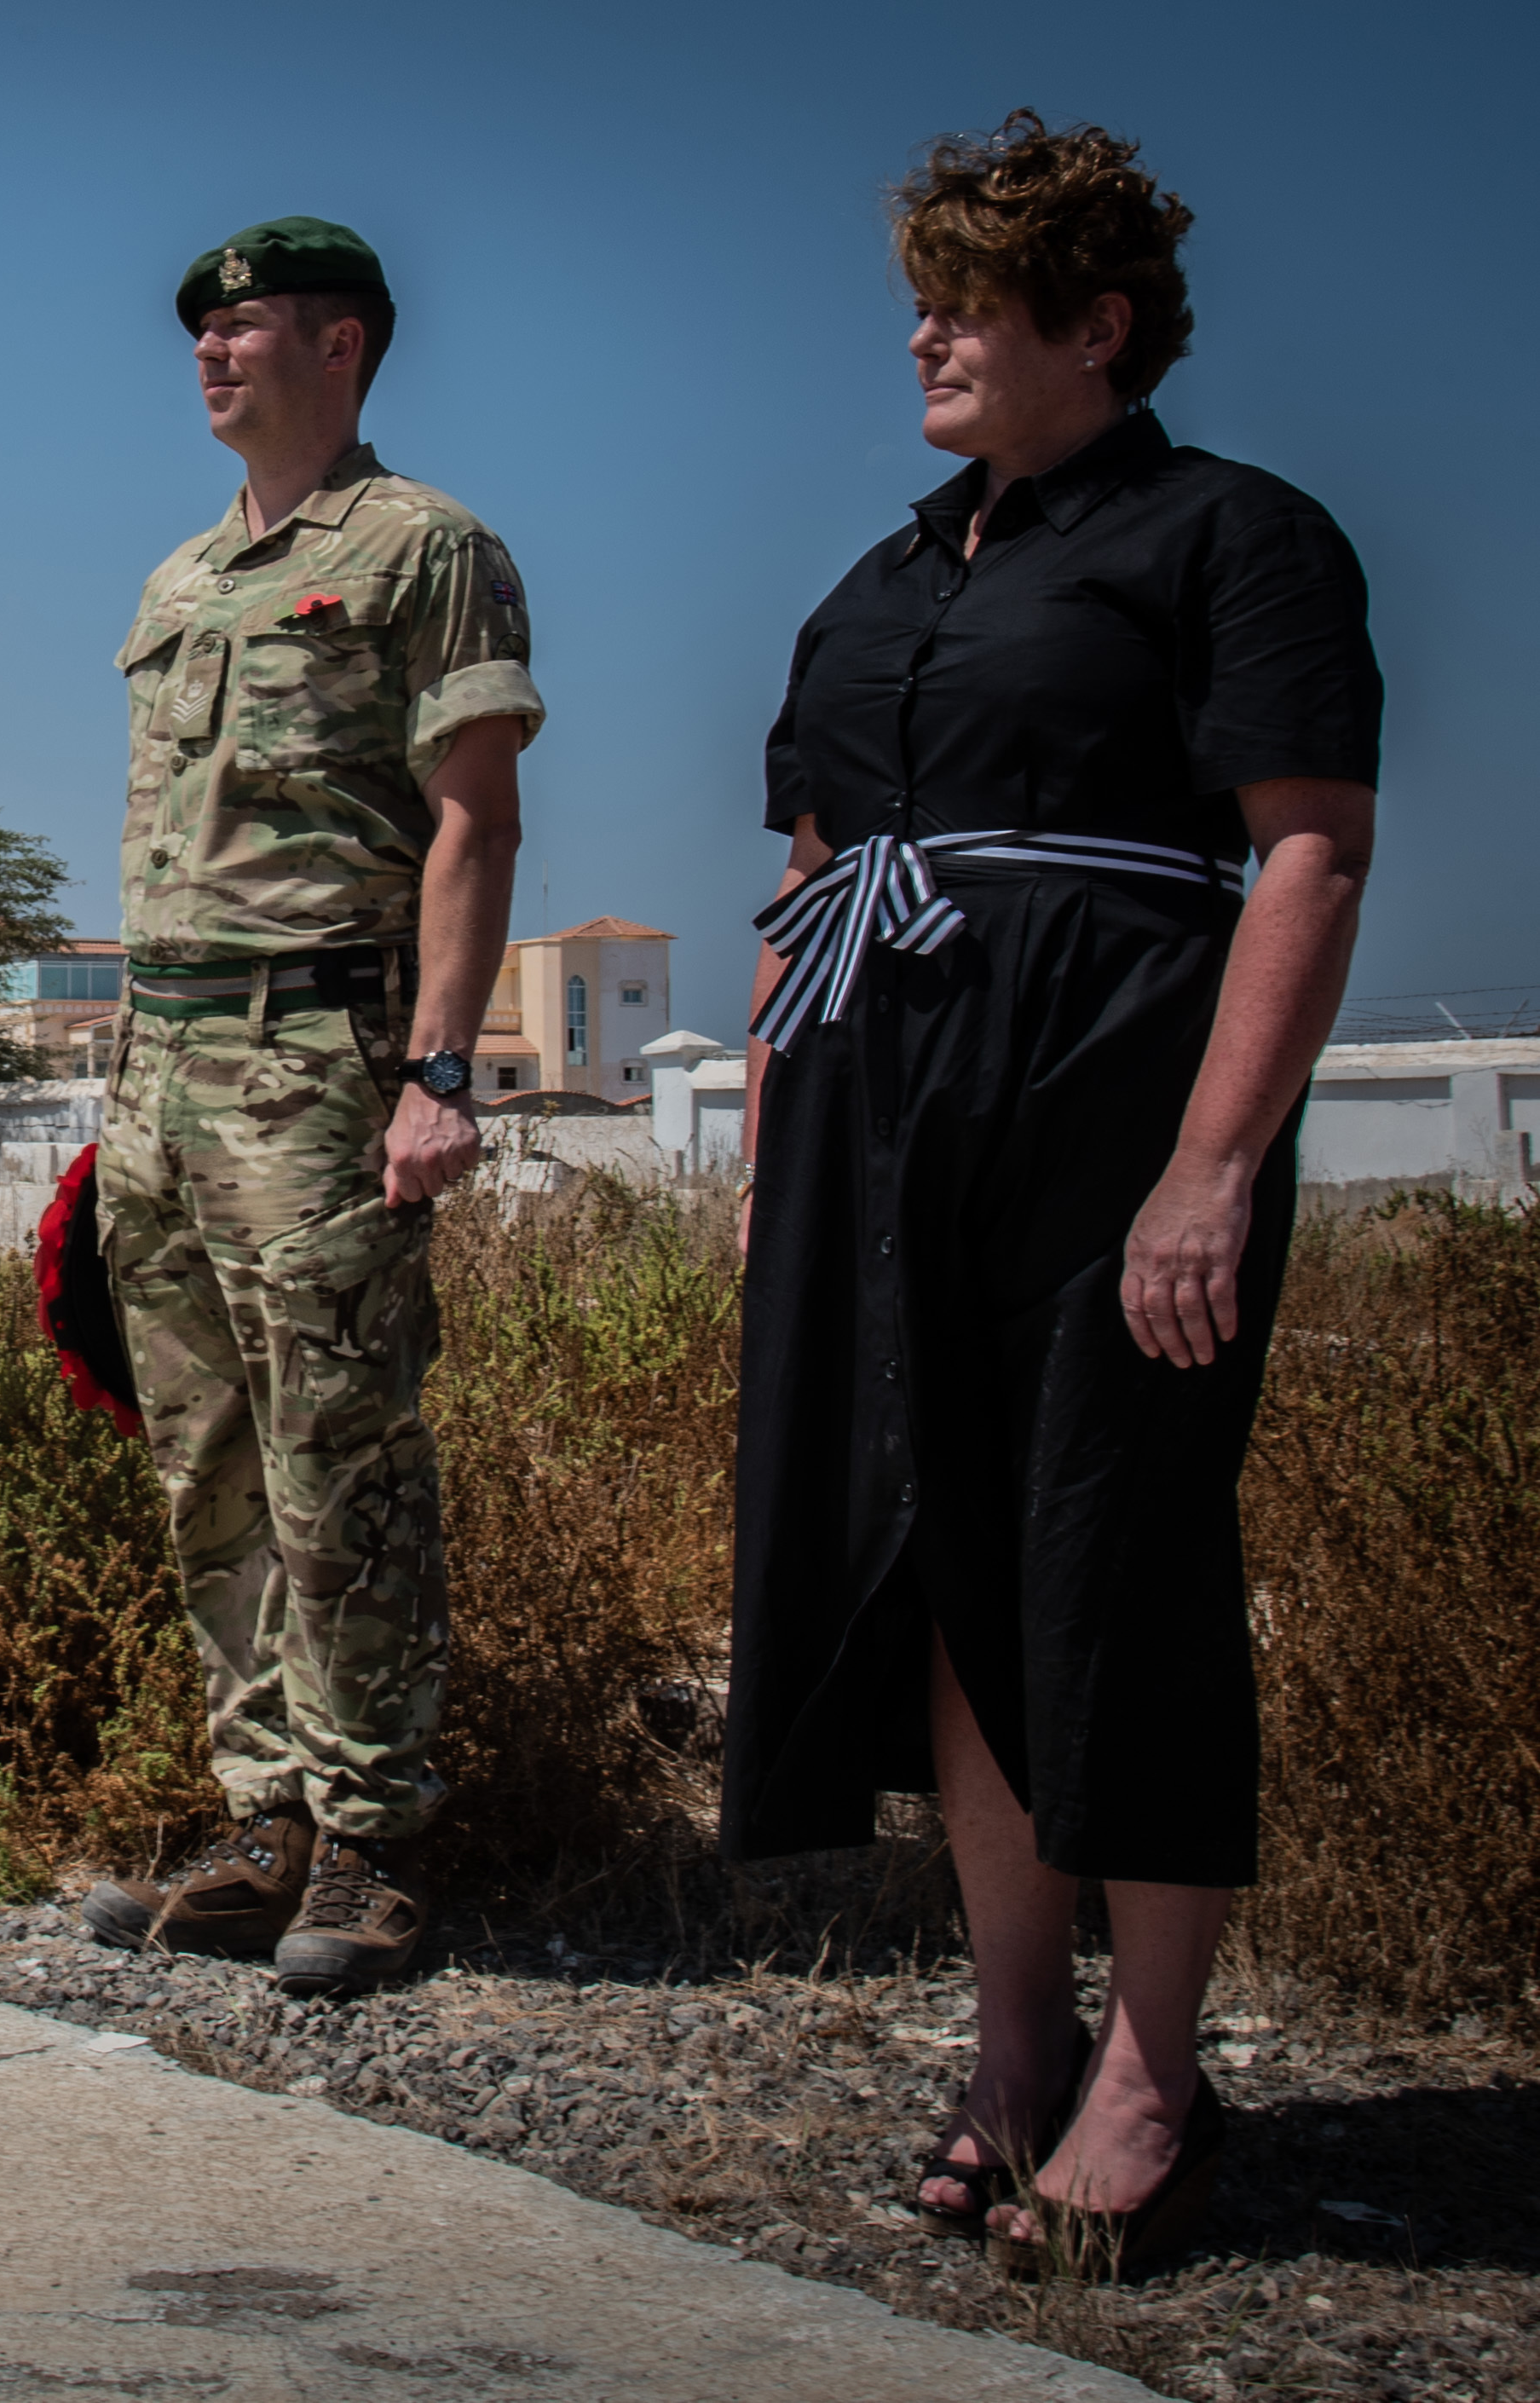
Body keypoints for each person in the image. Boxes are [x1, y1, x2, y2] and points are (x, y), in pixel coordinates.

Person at [723, 114, 1381, 2283]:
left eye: (968, 306)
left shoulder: (1235, 535)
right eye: (918, 302)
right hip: (872, 1120)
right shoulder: (874, 582)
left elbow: (1307, 849)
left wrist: (1213, 1164)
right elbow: (808, 880)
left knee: (1116, 1554)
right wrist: (772, 1158)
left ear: (1095, 327)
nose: (923, 337)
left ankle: (1155, 2072)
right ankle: (1015, 2038)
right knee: (932, 1560)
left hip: (1108, 1110)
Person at [69, 219, 539, 1998]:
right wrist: (126, 1082)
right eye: (197, 329)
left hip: (319, 1056)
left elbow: (472, 817)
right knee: (205, 1456)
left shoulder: (426, 547)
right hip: (165, 1064)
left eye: (244, 324)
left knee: (342, 1453)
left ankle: (372, 1839)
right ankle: (261, 1812)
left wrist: (437, 1067)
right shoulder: (181, 574)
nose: (208, 350)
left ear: (340, 345)